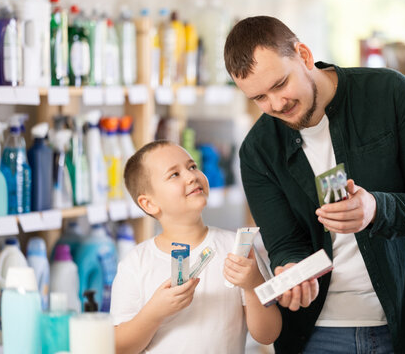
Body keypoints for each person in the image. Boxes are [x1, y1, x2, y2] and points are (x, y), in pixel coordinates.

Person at [224, 16, 405, 354]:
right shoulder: (258, 151)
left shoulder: (391, 94)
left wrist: (377, 209)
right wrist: (292, 270)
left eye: (280, 85)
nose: (276, 105)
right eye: (259, 97)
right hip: (317, 336)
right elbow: (284, 241)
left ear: (303, 55)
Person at [110, 140, 281, 354]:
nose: (192, 176)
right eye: (174, 174)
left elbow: (268, 334)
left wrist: (252, 284)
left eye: (192, 166)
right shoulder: (135, 263)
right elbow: (118, 348)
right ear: (149, 204)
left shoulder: (237, 249)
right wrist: (154, 313)